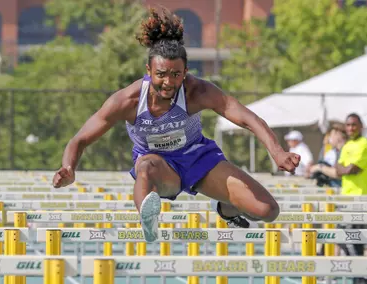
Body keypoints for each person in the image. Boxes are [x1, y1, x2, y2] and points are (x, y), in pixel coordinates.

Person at [52, 8, 300, 242]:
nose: (168, 83)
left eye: (176, 75)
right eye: (161, 74)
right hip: (159, 167)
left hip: (197, 158)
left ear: (186, 72)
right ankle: (148, 219)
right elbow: (80, 139)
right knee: (146, 165)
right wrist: (69, 167)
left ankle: (226, 207)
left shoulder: (197, 91)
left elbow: (248, 119)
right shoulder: (127, 101)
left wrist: (277, 152)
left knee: (267, 210)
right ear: (148, 70)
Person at [336, 113, 367, 284]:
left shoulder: (364, 144)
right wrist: (343, 169)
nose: (350, 128)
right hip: (346, 200)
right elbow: (338, 169)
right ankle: (360, 280)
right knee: (348, 239)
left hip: (361, 200)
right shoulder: (347, 145)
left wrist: (344, 169)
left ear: (361, 126)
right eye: (347, 125)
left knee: (351, 239)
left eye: (354, 125)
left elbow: (349, 169)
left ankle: (361, 280)